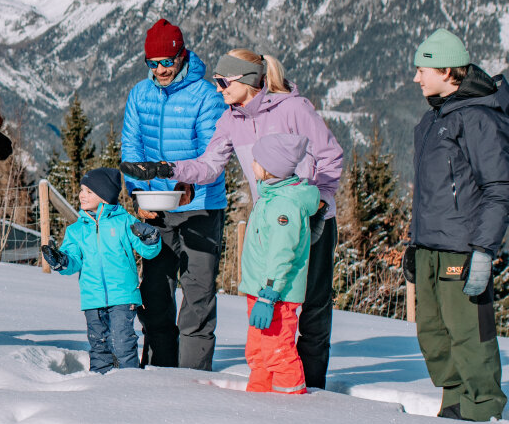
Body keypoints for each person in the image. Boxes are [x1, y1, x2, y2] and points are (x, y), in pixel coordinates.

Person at [120, 48, 344, 388]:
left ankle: (312, 387)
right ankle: (274, 379)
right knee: (272, 303)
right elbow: (210, 166)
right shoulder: (230, 119)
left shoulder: (294, 109)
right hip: (269, 221)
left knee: (312, 306)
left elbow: (330, 158)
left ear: (250, 80)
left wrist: (321, 207)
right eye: (217, 81)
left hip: (312, 219)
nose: (219, 88)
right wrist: (169, 168)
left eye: (224, 82)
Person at [405, 28, 509, 421]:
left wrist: (484, 249)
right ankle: (453, 408)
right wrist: (415, 243)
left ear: (447, 71)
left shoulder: (479, 119)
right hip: (431, 247)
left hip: (463, 249)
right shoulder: (433, 118)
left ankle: (482, 412)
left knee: (470, 336)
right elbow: (432, 192)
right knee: (433, 336)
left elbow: (499, 188)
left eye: (423, 70)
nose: (417, 78)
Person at [120, 18, 227, 370]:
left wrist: (187, 187)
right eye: (154, 63)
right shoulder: (140, 94)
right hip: (157, 208)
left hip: (200, 207)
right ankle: (158, 370)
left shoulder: (206, 97)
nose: (161, 70)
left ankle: (193, 378)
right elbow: (132, 148)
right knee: (155, 292)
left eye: (167, 62)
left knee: (197, 295)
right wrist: (138, 197)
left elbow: (212, 155)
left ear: (181, 56)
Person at [41, 167, 163, 374]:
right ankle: (100, 388)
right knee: (99, 346)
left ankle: (131, 383)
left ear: (105, 196)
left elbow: (148, 252)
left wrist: (150, 239)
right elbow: (73, 261)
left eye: (89, 191)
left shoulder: (125, 222)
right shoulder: (76, 230)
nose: (82, 195)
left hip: (123, 296)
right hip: (92, 298)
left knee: (122, 342)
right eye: (82, 190)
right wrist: (60, 261)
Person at [238, 133, 321, 395]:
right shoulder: (272, 198)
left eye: (256, 161)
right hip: (261, 292)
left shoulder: (283, 206)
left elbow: (281, 253)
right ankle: (260, 399)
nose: (252, 165)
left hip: (276, 295)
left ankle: (289, 406)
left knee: (277, 352)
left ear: (271, 168)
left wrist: (269, 293)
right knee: (258, 352)